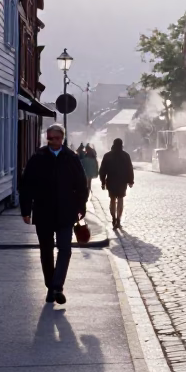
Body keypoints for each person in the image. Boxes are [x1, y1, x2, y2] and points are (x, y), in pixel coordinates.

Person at [19, 123, 88, 305]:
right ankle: (51, 286)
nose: (52, 141)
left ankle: (56, 286)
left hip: (66, 212)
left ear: (62, 138)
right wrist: (26, 210)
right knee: (46, 252)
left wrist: (81, 208)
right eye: (49, 138)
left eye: (56, 138)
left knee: (65, 249)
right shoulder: (38, 157)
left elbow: (81, 185)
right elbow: (27, 186)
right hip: (43, 212)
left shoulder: (71, 158)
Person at [99, 138, 135, 230]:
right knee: (120, 199)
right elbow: (129, 169)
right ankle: (118, 219)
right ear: (122, 145)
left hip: (111, 180)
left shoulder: (107, 156)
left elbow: (102, 170)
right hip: (122, 181)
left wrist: (103, 181)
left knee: (112, 200)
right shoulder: (126, 156)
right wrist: (130, 180)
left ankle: (113, 218)